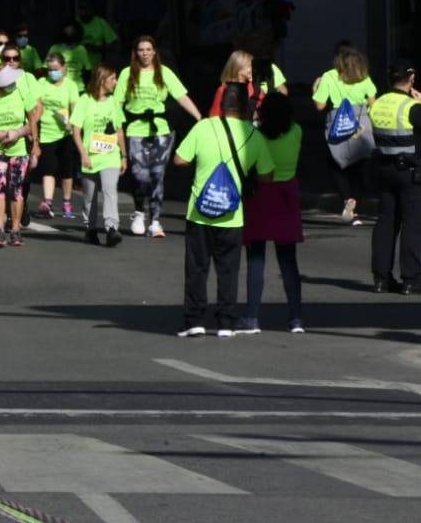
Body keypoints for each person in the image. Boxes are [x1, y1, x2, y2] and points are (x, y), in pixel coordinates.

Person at [173, 84, 273, 337]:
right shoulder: (253, 135)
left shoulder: (203, 127)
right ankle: (226, 322)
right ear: (244, 107)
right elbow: (266, 176)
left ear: (221, 104)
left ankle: (194, 320)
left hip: (199, 212)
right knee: (228, 269)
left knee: (197, 268)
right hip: (232, 215)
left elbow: (180, 159)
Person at [368, 59, 421, 295]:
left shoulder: (377, 104)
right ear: (412, 79)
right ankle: (412, 279)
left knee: (386, 223)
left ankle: (381, 279)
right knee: (414, 224)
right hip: (410, 171)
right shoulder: (412, 107)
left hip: (384, 169)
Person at [117, 36, 201, 237]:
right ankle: (139, 212)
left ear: (155, 52)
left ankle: (155, 220)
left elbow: (182, 97)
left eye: (148, 49)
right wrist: (112, 126)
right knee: (139, 175)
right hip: (136, 129)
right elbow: (117, 104)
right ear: (136, 53)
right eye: (141, 50)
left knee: (157, 175)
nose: (145, 53)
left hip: (161, 130)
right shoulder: (127, 74)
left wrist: (199, 117)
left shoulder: (165, 73)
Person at [241, 90, 304, 333]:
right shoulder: (297, 131)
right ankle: (296, 317)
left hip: (262, 193)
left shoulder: (256, 134)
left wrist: (253, 105)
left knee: (256, 257)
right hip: (287, 194)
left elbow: (248, 131)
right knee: (288, 260)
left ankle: (252, 316)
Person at [312, 43, 377, 224]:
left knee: (336, 164)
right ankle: (355, 203)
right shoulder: (364, 77)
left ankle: (346, 198)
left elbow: (320, 105)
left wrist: (315, 89)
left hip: (338, 122)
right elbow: (373, 103)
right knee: (359, 165)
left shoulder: (329, 76)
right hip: (361, 123)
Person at [0, 59, 40, 248]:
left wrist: (32, 142)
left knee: (16, 189)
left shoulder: (22, 93)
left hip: (19, 148)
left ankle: (15, 229)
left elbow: (33, 119)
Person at [70, 65, 127, 247]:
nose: (116, 82)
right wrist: (83, 154)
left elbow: (119, 130)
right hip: (90, 156)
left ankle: (111, 228)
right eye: (113, 79)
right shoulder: (85, 100)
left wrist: (124, 156)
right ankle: (90, 228)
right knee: (89, 196)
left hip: (110, 155)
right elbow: (76, 131)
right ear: (102, 80)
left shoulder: (113, 102)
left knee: (110, 190)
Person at [33, 50, 81, 219]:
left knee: (67, 170)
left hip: (65, 134)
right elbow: (37, 106)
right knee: (49, 168)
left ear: (63, 67)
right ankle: (48, 201)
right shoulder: (41, 83)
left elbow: (75, 107)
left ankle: (67, 201)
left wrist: (72, 122)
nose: (53, 72)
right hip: (47, 131)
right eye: (50, 69)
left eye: (56, 69)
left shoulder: (71, 85)